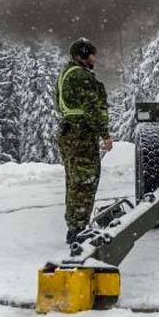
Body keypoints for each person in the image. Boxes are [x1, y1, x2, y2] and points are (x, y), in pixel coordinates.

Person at [55, 38, 113, 248]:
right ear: (83, 55)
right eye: (92, 54)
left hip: (69, 133)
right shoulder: (81, 76)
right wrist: (104, 134)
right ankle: (79, 230)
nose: (94, 59)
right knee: (85, 181)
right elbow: (92, 108)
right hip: (81, 135)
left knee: (74, 181)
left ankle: (75, 226)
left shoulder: (66, 74)